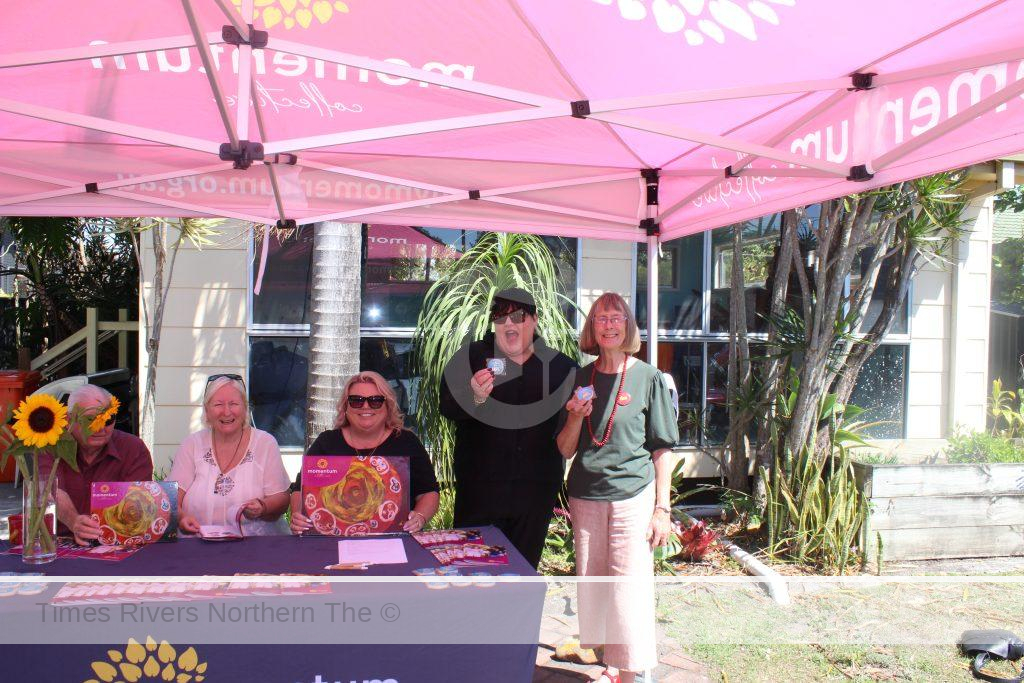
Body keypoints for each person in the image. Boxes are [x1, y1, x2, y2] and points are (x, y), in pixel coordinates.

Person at [556, 292, 680, 683]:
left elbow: (663, 449)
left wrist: (663, 509)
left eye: (616, 318)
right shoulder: (580, 377)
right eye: (600, 319)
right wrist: (575, 417)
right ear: (592, 328)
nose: (608, 325)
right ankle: (611, 661)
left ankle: (632, 672)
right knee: (594, 584)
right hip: (585, 495)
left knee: (629, 588)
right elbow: (565, 447)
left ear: (627, 326)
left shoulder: (648, 377)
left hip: (633, 496)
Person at [440, 287, 577, 568]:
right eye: (501, 318)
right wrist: (474, 396)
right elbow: (447, 408)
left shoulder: (561, 367)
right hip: (479, 493)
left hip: (534, 495)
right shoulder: (470, 358)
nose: (510, 324)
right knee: (473, 574)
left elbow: (574, 424)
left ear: (535, 319)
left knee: (522, 574)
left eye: (519, 316)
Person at [289, 371, 439, 534]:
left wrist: (420, 516)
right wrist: (298, 515)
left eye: (375, 401)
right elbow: (300, 489)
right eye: (356, 401)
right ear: (345, 406)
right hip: (332, 544)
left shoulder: (406, 441)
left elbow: (428, 492)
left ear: (388, 406)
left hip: (397, 543)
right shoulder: (327, 442)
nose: (366, 406)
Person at [170, 374, 291, 536]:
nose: (226, 412)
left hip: (256, 548)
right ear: (206, 410)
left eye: (234, 404)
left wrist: (263, 507)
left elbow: (282, 500)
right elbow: (170, 500)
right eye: (218, 404)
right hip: (197, 545)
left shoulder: (265, 443)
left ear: (245, 408)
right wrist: (182, 518)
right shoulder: (191, 445)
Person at [54, 384, 154, 546]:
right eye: (90, 420)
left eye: (107, 419)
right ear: (68, 420)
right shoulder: (50, 446)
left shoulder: (133, 448)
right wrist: (74, 522)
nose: (100, 428)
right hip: (59, 544)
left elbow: (138, 504)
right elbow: (50, 490)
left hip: (117, 544)